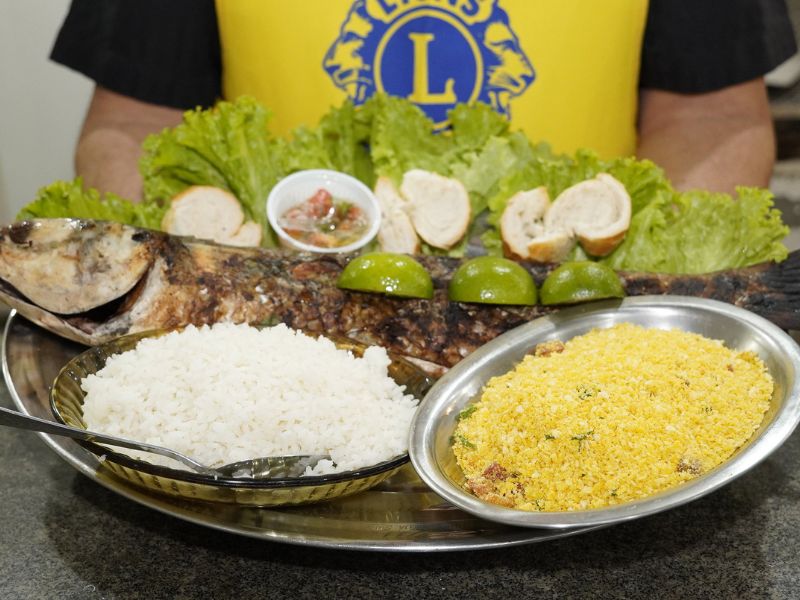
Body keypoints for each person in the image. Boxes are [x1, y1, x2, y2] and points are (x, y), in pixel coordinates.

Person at [51, 0, 797, 201]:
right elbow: (136, 126)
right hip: (284, 328)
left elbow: (710, 119)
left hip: (580, 327)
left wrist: (630, 305)